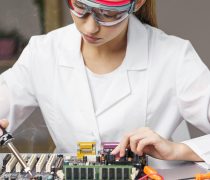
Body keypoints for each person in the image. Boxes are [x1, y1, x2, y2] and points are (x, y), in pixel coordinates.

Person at [0, 0, 210, 165]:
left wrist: (177, 150)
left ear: (136, 4)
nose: (90, 28)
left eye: (108, 15)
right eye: (80, 7)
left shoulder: (174, 57)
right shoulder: (43, 52)